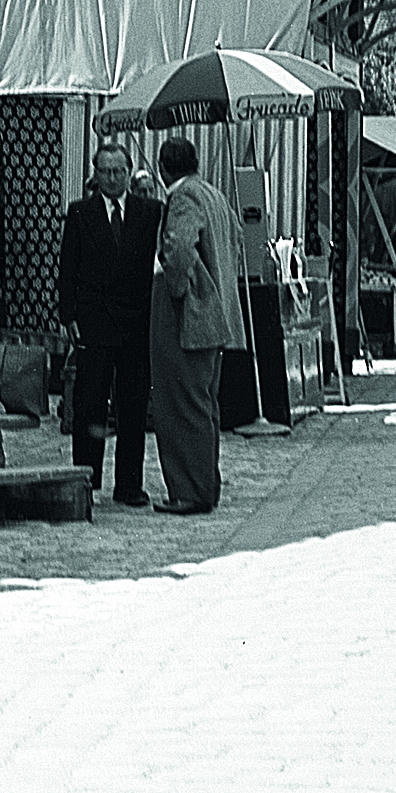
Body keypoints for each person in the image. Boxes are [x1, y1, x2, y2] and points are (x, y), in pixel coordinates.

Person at [56, 141, 161, 508]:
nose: (113, 178)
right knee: (89, 405)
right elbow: (67, 268)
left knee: (133, 406)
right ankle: (85, 478)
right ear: (95, 174)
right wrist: (67, 316)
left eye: (119, 171)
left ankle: (129, 483)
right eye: (106, 171)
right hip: (94, 322)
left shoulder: (150, 213)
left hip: (135, 323)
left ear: (129, 172)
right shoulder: (80, 213)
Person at [147, 136, 242, 517]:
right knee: (203, 405)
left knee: (180, 405)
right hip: (215, 316)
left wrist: (175, 288)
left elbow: (182, 247)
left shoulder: (183, 198)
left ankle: (188, 490)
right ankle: (205, 485)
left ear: (161, 167)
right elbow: (235, 240)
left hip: (187, 316)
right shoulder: (214, 194)